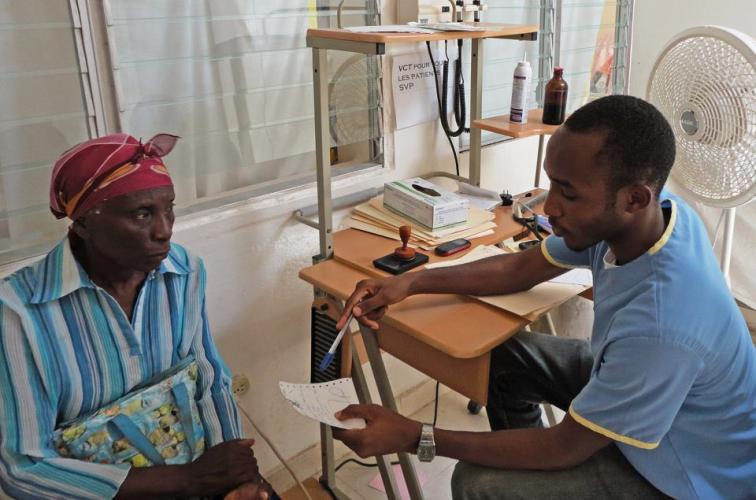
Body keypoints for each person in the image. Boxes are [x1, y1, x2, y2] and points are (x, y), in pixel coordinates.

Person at [332, 96, 756, 499]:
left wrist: (414, 435)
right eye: (552, 185)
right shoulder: (655, 216)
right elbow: (521, 268)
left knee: (479, 483)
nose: (548, 208)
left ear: (633, 198)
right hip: (655, 390)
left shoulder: (663, 325)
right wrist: (412, 282)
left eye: (568, 193)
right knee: (501, 360)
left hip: (688, 474)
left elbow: (564, 447)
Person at [0, 134, 274, 499]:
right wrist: (188, 481)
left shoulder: (184, 272)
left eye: (169, 208)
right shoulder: (18, 312)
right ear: (82, 223)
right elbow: (23, 469)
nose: (165, 230)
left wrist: (233, 477)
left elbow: (209, 380)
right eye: (141, 214)